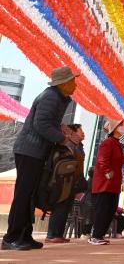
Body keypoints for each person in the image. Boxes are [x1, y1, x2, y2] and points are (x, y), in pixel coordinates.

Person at [2, 66, 79, 251]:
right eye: (73, 81)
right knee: (24, 194)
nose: (75, 85)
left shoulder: (57, 97)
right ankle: (11, 237)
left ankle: (25, 235)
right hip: (29, 151)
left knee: (31, 195)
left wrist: (61, 128)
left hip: (37, 152)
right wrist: (63, 139)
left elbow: (48, 121)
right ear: (64, 83)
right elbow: (41, 123)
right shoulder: (50, 97)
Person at [89, 119, 124, 245]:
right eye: (120, 125)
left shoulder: (117, 144)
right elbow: (102, 159)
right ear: (114, 128)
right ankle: (95, 236)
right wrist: (107, 171)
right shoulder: (108, 142)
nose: (123, 127)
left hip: (113, 183)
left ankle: (99, 235)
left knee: (110, 209)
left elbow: (116, 162)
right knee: (103, 210)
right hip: (105, 184)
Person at [46, 124, 87, 243]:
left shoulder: (79, 146)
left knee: (66, 207)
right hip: (64, 181)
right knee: (60, 206)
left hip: (73, 181)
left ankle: (58, 233)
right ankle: (52, 234)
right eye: (81, 130)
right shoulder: (68, 145)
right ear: (73, 132)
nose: (83, 133)